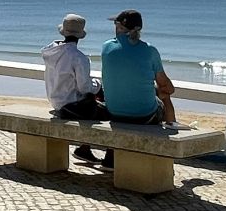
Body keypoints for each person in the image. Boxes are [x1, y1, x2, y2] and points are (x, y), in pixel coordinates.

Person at [42, 13, 108, 164]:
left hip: (55, 100)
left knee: (94, 102)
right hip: (71, 104)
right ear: (80, 35)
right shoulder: (79, 57)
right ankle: (108, 155)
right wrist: (98, 85)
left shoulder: (51, 52)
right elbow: (84, 87)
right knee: (108, 111)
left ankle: (85, 148)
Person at [101, 9, 178, 128]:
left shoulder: (106, 47)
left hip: (114, 113)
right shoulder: (150, 51)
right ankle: (172, 125)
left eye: (116, 24)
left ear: (120, 27)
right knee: (164, 95)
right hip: (145, 116)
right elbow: (167, 87)